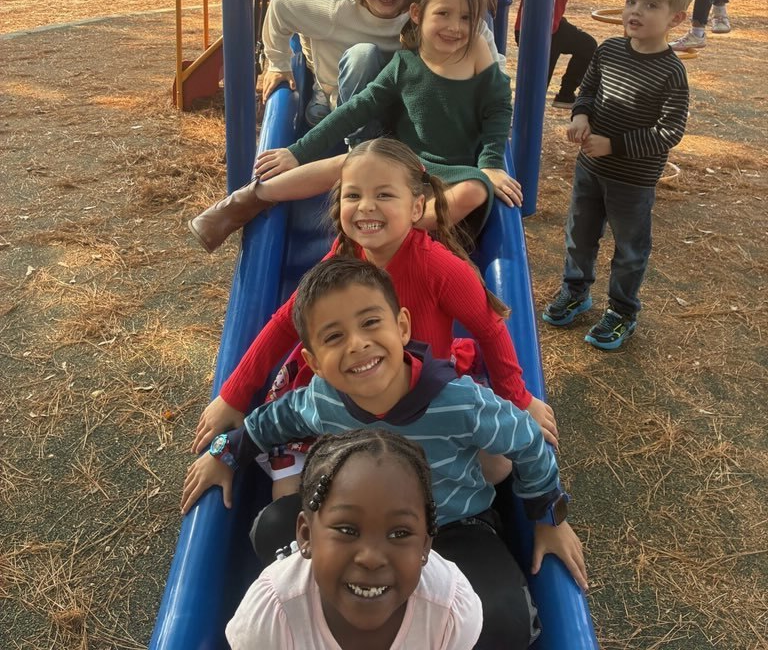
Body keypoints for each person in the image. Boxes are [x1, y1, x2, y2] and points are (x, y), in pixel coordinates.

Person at [182, 258, 588, 650]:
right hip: (351, 531)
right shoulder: (322, 399)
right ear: (314, 362)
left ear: (403, 326)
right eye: (334, 336)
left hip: (452, 527)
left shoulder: (461, 403)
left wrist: (548, 518)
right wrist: (223, 454)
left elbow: (528, 442)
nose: (358, 344)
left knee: (503, 620)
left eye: (371, 323)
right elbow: (268, 422)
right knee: (272, 526)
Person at [192, 138, 558, 484]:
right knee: (295, 475)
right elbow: (288, 320)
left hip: (421, 394)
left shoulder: (440, 268)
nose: (366, 206)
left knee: (498, 467)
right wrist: (234, 394)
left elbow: (490, 328)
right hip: (354, 387)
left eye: (384, 194)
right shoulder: (345, 254)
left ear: (417, 207)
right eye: (353, 195)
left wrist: (517, 397)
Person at [189, 0, 520, 253]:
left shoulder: (475, 49)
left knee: (477, 190)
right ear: (417, 14)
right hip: (409, 165)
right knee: (352, 160)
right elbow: (354, 110)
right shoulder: (404, 66)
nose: (455, 27)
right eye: (443, 14)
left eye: (466, 17)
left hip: (457, 171)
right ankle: (247, 199)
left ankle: (402, 226)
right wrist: (297, 152)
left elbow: (498, 108)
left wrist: (491, 163)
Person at [542, 0, 699, 350]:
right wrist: (581, 114)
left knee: (629, 248)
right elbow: (588, 90)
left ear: (675, 18)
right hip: (591, 167)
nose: (635, 11)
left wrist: (615, 143)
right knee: (580, 233)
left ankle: (623, 311)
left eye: (650, 5)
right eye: (631, 1)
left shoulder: (670, 72)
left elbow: (669, 131)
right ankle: (576, 291)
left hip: (633, 178)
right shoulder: (609, 50)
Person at [224, 429, 483, 650]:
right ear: (306, 535)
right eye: (347, 530)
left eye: (399, 533)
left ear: (425, 546)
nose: (371, 558)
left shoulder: (449, 612)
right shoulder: (271, 619)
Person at [261, 0, 424, 128]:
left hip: (395, 102)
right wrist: (278, 64)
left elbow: (470, 26)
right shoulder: (340, 12)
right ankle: (349, 126)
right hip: (347, 100)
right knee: (362, 53)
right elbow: (280, 5)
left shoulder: (419, 15)